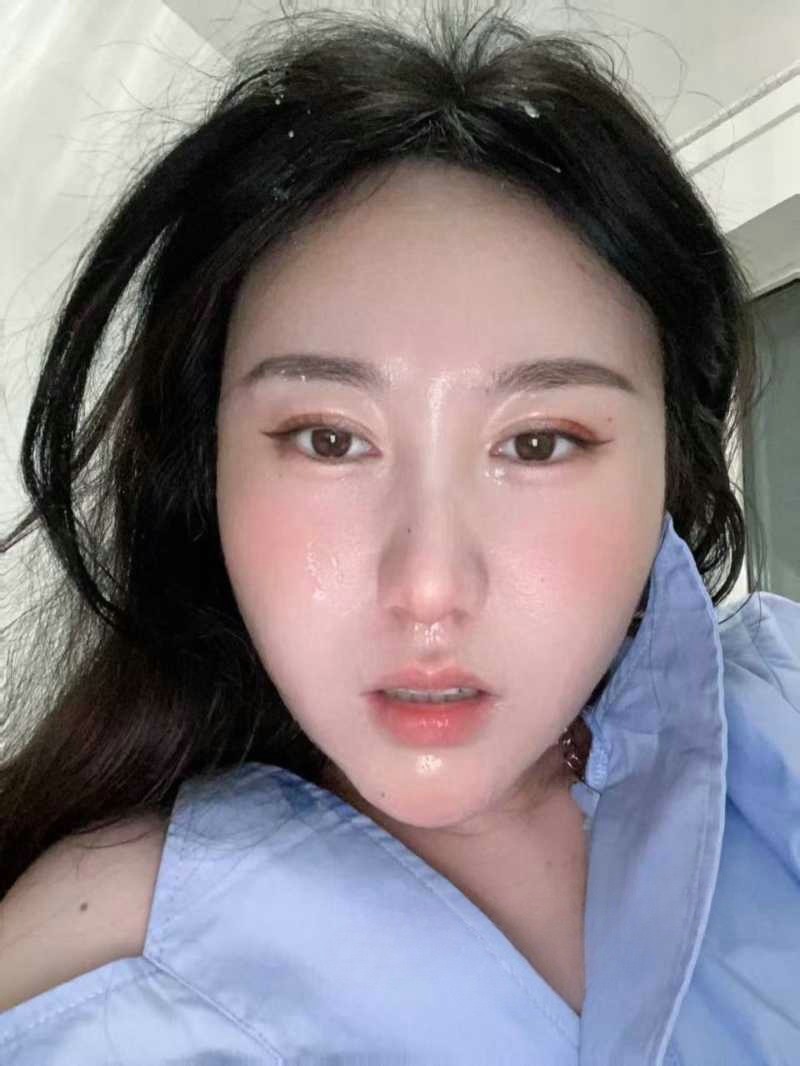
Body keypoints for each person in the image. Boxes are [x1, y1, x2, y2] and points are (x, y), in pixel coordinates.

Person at [0, 3, 797, 1063]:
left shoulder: (780, 715)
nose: (427, 586)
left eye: (540, 443)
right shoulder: (92, 970)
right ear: (206, 472)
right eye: (328, 439)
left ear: (670, 467)